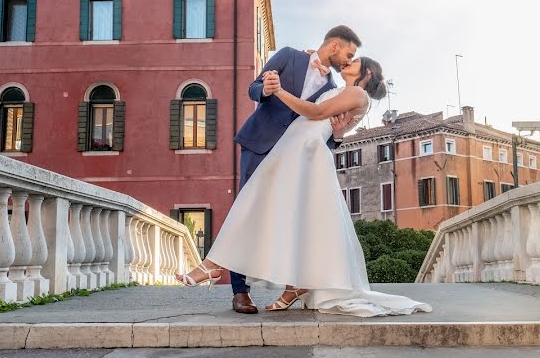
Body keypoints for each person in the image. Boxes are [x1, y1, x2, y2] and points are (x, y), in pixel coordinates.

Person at [177, 55, 431, 317]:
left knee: (257, 204)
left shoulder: (357, 93)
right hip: (295, 149)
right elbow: (331, 122)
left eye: (355, 62)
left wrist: (279, 91)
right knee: (288, 216)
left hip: (304, 152)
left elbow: (317, 112)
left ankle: (213, 265)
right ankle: (288, 284)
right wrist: (318, 69)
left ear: (366, 74)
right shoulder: (339, 90)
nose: (348, 62)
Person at [219, 25, 362, 314]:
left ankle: (289, 284)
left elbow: (320, 131)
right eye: (348, 53)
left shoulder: (334, 89)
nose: (348, 61)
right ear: (334, 45)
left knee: (287, 218)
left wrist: (337, 136)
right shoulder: (288, 56)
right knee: (247, 211)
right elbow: (253, 88)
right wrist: (266, 90)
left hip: (292, 159)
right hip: (259, 145)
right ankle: (240, 292)